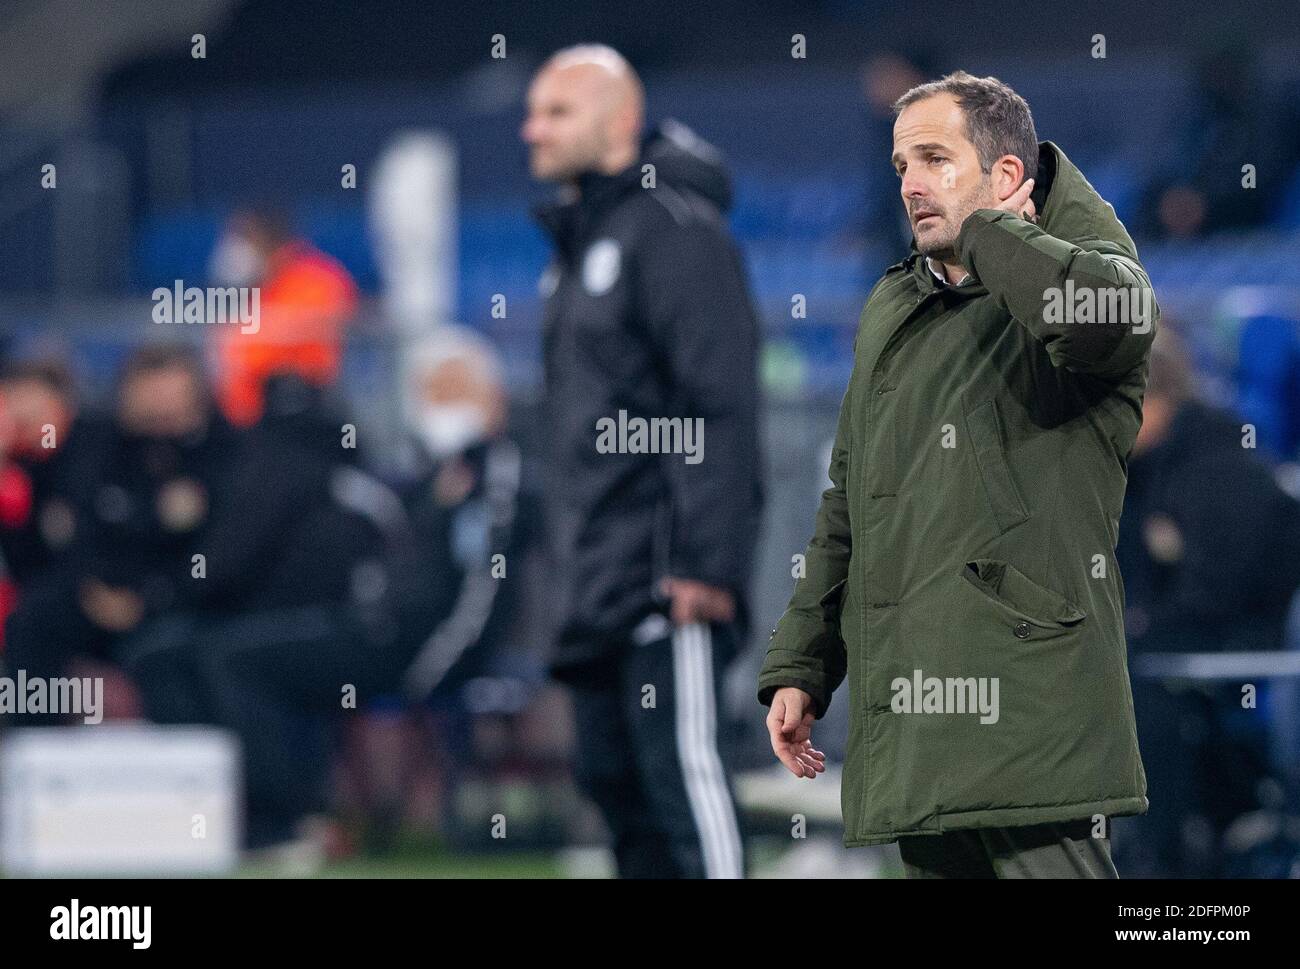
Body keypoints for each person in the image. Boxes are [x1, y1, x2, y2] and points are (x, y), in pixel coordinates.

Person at [758, 71, 1157, 878]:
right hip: (918, 733)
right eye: (901, 164)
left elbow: (1101, 323)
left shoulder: (1103, 279)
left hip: (1033, 732)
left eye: (935, 159)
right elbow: (850, 500)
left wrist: (986, 234)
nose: (909, 184)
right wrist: (802, 661)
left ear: (1007, 175)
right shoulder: (895, 305)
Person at [524, 45, 763, 878]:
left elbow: (721, 404)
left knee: (685, 785)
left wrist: (705, 558)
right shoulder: (582, 241)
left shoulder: (673, 231)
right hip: (597, 576)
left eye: (557, 111)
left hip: (666, 574)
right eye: (534, 111)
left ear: (621, 120)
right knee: (616, 788)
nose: (533, 129)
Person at [1116, 327, 1300, 876]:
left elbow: (1216, 598)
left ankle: (1160, 860)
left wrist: (1135, 628)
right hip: (1187, 647)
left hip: (1246, 651)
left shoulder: (1219, 468)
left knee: (1133, 680)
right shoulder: (1141, 475)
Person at [208, 208, 358, 428]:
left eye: (244, 238)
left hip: (301, 410)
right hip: (241, 418)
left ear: (268, 239)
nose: (234, 250)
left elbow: (269, 350)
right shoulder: (251, 288)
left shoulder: (317, 280)